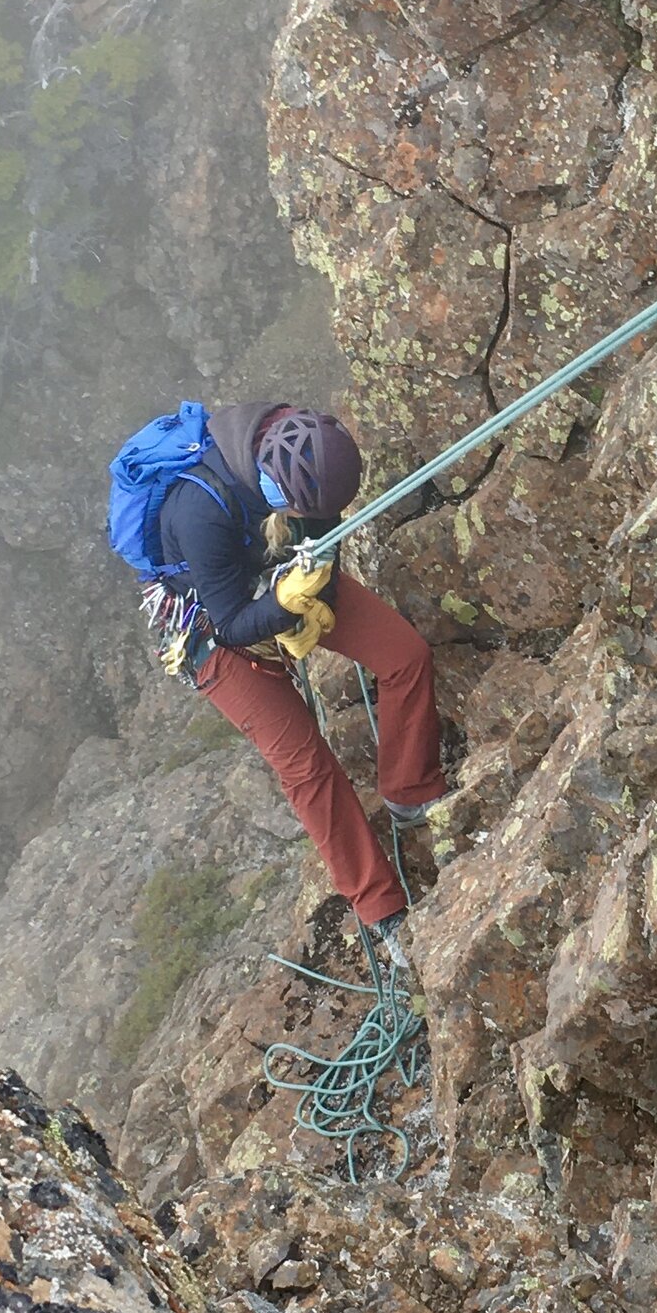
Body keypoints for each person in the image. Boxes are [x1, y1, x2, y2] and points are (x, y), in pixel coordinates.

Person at [154, 403, 445, 967]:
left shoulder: (313, 458)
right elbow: (236, 621)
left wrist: (316, 593)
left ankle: (409, 792)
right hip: (213, 628)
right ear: (269, 483)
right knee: (306, 766)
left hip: (282, 575)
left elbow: (320, 543)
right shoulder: (199, 509)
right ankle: (381, 909)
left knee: (405, 657)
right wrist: (285, 609)